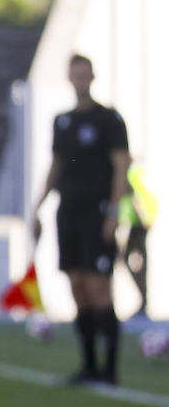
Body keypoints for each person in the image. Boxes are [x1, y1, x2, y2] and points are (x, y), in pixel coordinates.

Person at [31, 53, 131, 384]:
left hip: (97, 212)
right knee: (76, 286)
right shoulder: (62, 122)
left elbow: (121, 166)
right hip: (68, 212)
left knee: (99, 287)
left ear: (92, 76)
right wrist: (37, 207)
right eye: (75, 74)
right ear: (69, 78)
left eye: (84, 74)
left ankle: (110, 369)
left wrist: (114, 212)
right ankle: (89, 365)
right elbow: (55, 167)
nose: (80, 79)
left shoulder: (109, 120)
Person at [119, 162, 156, 318]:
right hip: (139, 225)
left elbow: (136, 199)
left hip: (139, 226)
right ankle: (143, 299)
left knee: (134, 261)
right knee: (133, 262)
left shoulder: (131, 176)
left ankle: (143, 300)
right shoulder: (136, 174)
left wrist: (143, 219)